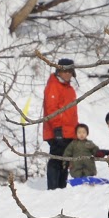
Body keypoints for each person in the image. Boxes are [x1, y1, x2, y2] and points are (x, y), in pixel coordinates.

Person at [42, 58, 79, 189]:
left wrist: (76, 132)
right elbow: (51, 109)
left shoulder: (69, 89)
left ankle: (61, 189)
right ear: (59, 71)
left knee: (65, 161)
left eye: (70, 71)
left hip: (69, 132)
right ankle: (52, 189)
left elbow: (72, 114)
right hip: (56, 131)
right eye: (65, 71)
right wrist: (57, 129)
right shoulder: (53, 86)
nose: (68, 74)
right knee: (56, 160)